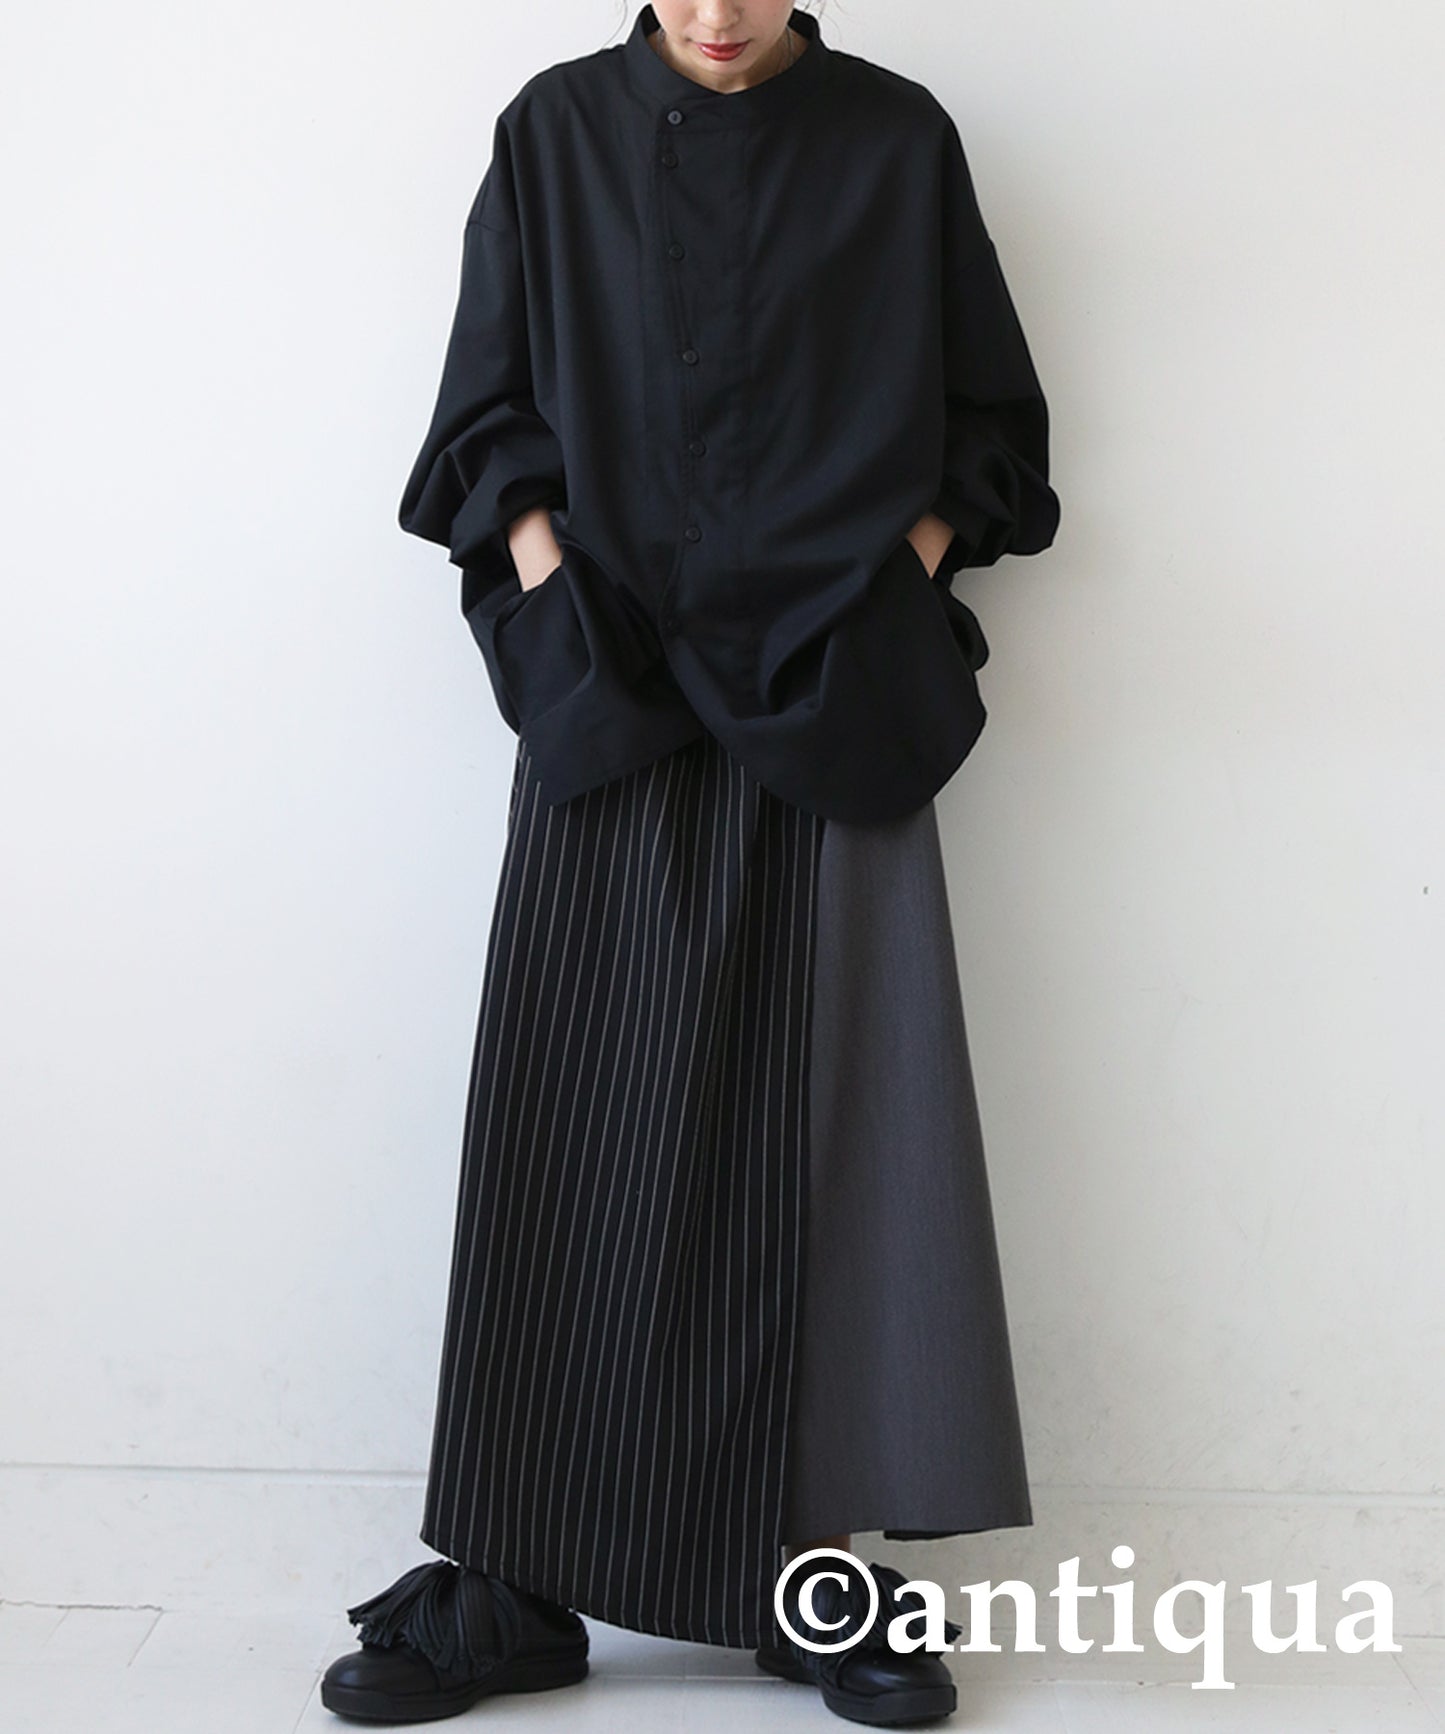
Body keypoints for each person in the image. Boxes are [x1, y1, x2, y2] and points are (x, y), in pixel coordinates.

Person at [321, 1, 1060, 1725]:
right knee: (570, 1114)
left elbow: (990, 421)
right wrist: (549, 580)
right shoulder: (555, 129)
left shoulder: (895, 138)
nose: (716, 13)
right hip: (612, 679)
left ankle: (809, 1572)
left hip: (837, 691)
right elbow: (486, 409)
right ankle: (511, 1580)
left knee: (846, 1131)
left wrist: (891, 578)